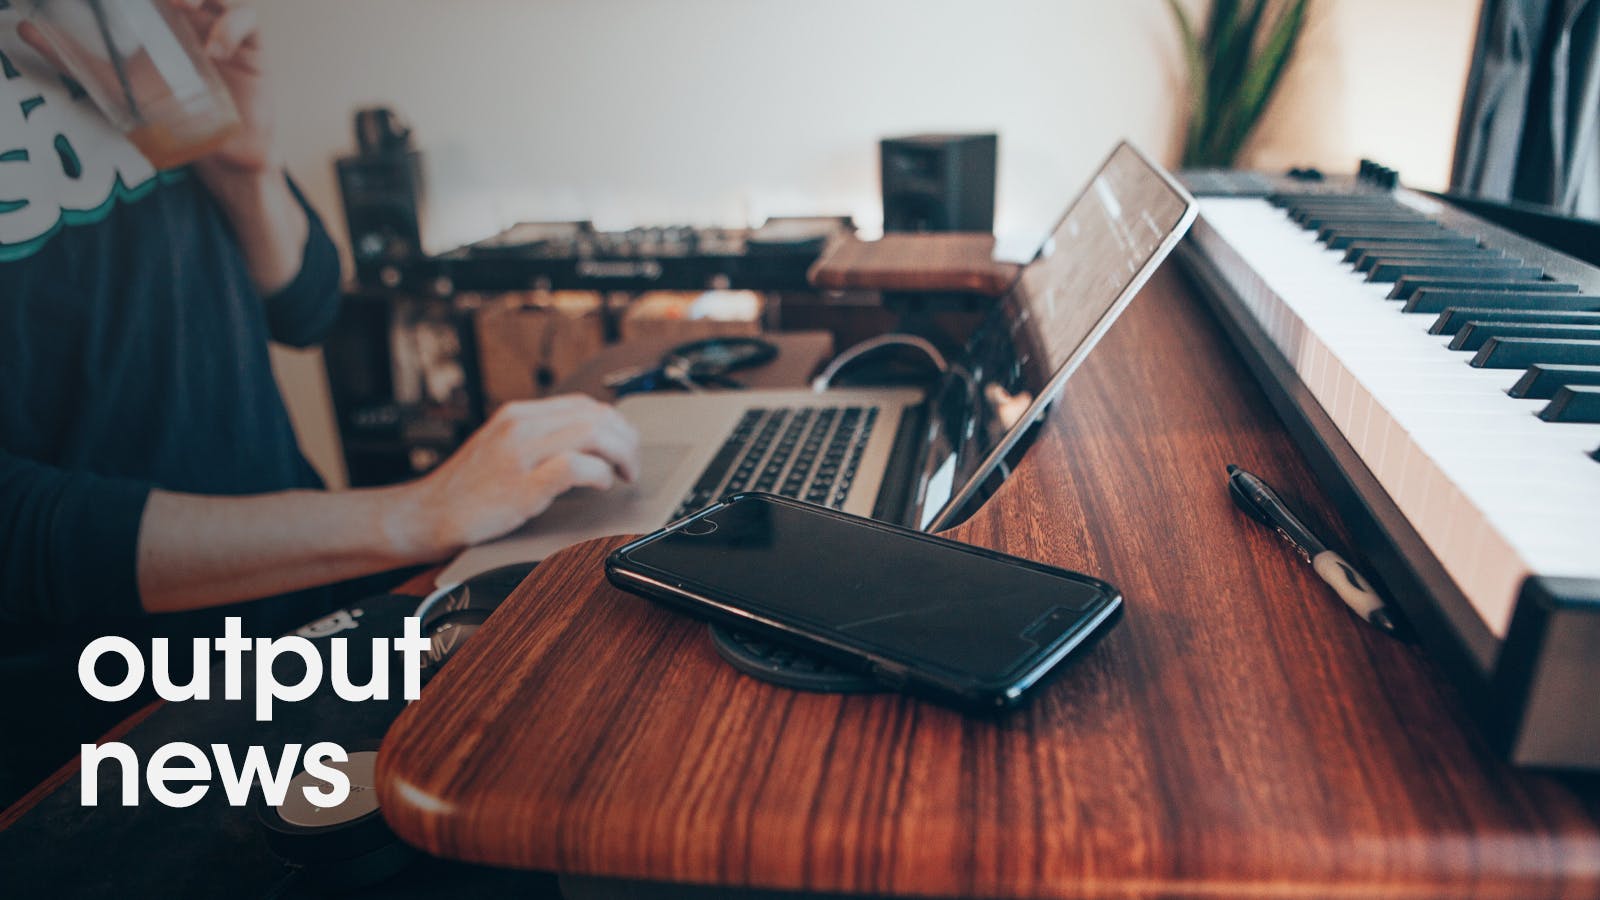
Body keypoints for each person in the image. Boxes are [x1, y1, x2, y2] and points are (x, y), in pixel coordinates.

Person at [0, 0, 641, 805]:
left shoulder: (105, 17)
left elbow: (305, 305)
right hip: (110, 712)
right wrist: (415, 514)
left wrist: (247, 167)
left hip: (304, 614)